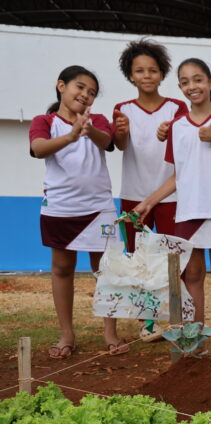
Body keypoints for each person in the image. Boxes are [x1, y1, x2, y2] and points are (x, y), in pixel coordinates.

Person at [134, 58, 211, 355]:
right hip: (187, 211)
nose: (192, 86)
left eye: (198, 79)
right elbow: (177, 176)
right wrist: (148, 202)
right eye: (185, 82)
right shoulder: (177, 127)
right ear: (180, 87)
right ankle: (197, 339)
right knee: (193, 276)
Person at [29, 65, 127, 359]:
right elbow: (39, 148)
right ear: (62, 86)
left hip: (99, 209)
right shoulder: (44, 121)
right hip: (60, 209)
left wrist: (88, 129)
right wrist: (70, 136)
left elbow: (107, 141)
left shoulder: (98, 121)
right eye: (80, 87)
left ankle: (110, 333)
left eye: (92, 92)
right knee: (62, 269)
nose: (85, 95)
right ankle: (66, 334)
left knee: (105, 271)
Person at [114, 39, 188, 342]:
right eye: (140, 70)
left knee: (174, 260)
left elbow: (185, 144)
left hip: (171, 195)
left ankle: (177, 319)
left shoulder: (177, 108)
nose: (146, 75)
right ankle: (147, 322)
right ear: (130, 75)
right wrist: (121, 133)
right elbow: (119, 145)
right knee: (138, 260)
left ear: (162, 73)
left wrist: (171, 132)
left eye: (153, 70)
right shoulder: (122, 109)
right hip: (132, 194)